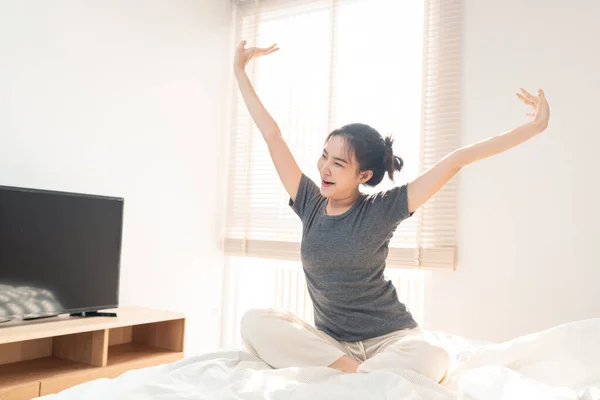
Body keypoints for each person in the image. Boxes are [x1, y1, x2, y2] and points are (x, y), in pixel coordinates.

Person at [232, 40, 550, 383]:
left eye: (338, 163)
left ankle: (351, 377)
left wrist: (534, 127)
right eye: (324, 155)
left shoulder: (382, 209)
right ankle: (356, 376)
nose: (324, 168)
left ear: (363, 176)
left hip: (390, 339)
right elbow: (273, 136)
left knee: (434, 356)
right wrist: (239, 71)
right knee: (255, 320)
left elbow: (457, 159)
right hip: (332, 344)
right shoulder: (310, 202)